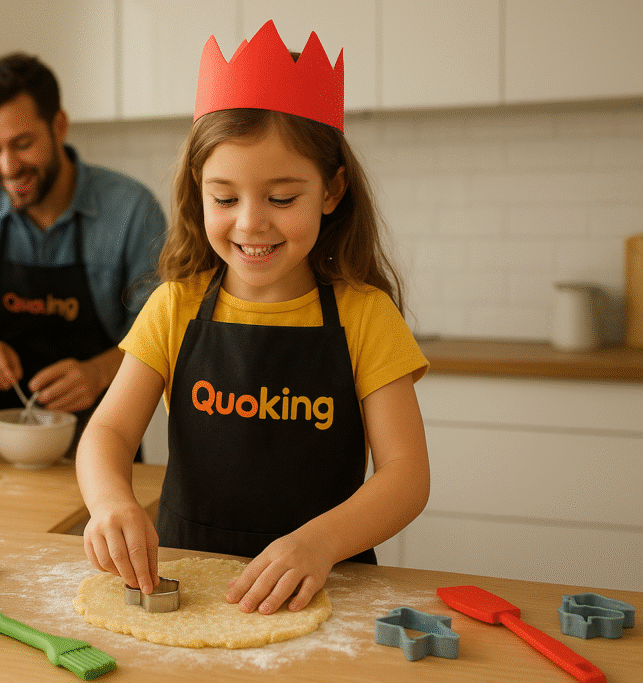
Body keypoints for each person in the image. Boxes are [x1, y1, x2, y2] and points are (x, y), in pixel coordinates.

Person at [76, 21, 431, 616]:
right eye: (225, 197)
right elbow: (107, 434)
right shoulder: (174, 305)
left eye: (282, 198)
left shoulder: (364, 315)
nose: (250, 223)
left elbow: (406, 476)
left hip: (325, 588)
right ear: (198, 190)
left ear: (332, 190)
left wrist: (317, 544)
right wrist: (111, 501)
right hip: (184, 585)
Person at [0, 53, 167, 432]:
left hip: (105, 432)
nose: (9, 166)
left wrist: (98, 372)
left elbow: (162, 334)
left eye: (22, 143)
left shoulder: (132, 210)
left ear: (59, 126)